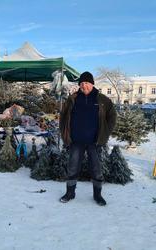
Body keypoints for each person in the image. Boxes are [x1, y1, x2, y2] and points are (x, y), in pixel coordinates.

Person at [59, 71, 117, 206]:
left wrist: (105, 133)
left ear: (92, 84)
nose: (84, 86)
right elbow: (63, 117)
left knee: (96, 169)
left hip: (94, 141)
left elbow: (112, 117)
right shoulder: (72, 99)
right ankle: (70, 193)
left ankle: (98, 195)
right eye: (82, 83)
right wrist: (65, 134)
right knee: (72, 167)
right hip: (76, 141)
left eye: (87, 83)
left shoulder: (102, 100)